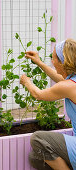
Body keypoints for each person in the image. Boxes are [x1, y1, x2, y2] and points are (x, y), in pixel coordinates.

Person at [20, 39, 76, 170]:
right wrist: (39, 62)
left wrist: (26, 81)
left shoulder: (69, 87)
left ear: (63, 62)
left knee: (38, 139)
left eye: (54, 58)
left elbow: (38, 94)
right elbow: (60, 79)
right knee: (35, 158)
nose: (52, 61)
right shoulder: (71, 82)